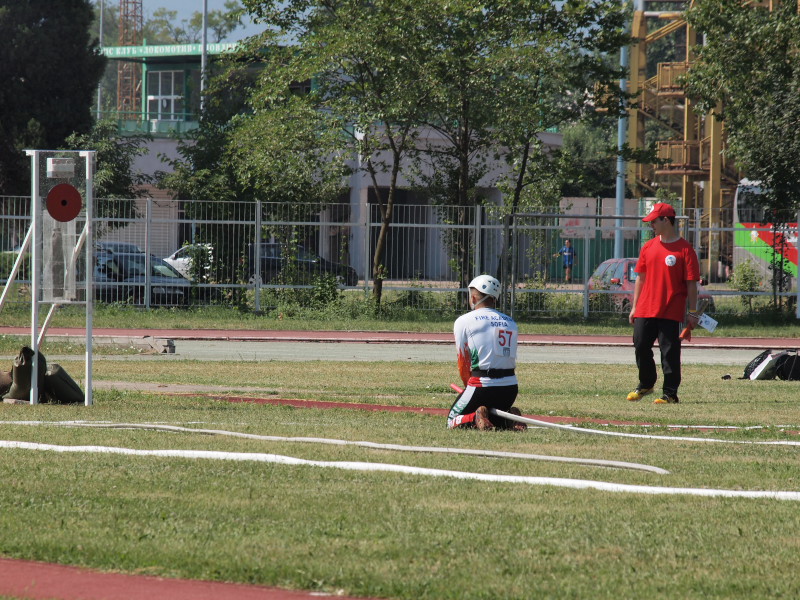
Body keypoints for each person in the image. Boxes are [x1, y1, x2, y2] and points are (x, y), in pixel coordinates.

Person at [627, 203, 700, 404]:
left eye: (654, 221)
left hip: (671, 309)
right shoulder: (648, 247)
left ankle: (670, 393)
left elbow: (691, 284)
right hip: (645, 308)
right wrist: (634, 307)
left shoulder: (685, 249)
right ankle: (646, 384)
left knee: (669, 353)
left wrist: (693, 312)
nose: (651, 225)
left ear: (666, 220)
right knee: (640, 345)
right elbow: (640, 278)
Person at [448, 275, 525, 431]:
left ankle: (475, 418)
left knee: (452, 421)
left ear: (474, 298)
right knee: (491, 416)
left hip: (482, 384)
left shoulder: (464, 321)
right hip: (510, 387)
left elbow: (463, 362)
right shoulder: (511, 322)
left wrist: (468, 387)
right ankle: (509, 419)